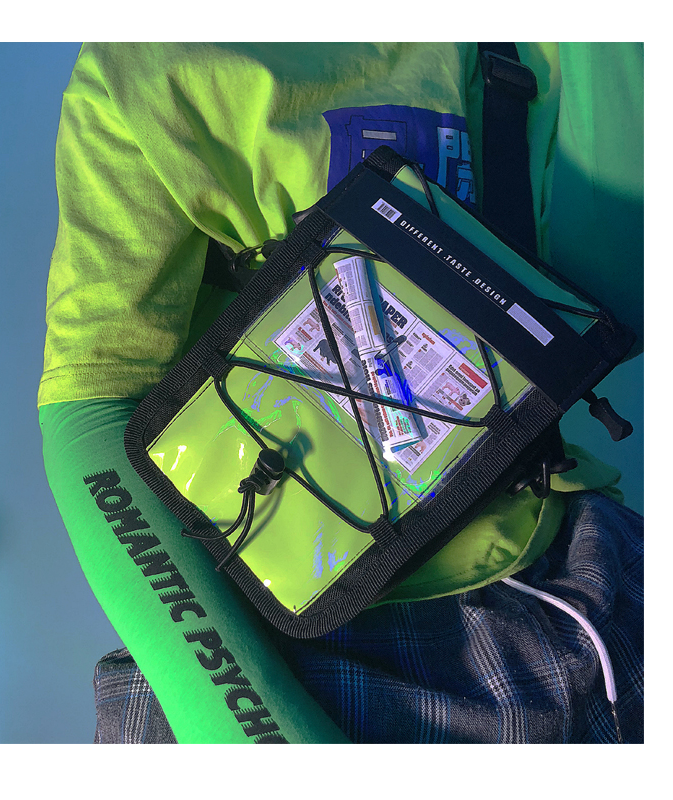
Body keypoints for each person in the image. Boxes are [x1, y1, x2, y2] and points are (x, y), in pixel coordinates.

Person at [40, 42, 643, 743]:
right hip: (274, 638)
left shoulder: (528, 40)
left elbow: (612, 296)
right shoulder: (150, 58)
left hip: (575, 574)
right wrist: (253, 732)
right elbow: (93, 403)